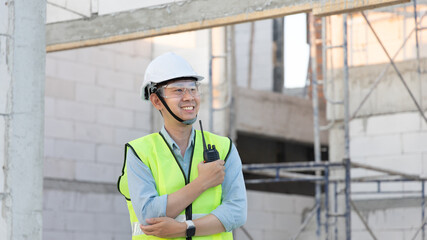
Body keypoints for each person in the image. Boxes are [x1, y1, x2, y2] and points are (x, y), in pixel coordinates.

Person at [117, 52, 247, 240]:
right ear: (156, 101)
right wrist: (202, 182)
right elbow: (149, 215)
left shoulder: (224, 147)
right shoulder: (139, 152)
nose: (189, 97)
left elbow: (237, 212)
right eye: (178, 90)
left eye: (193, 89)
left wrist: (184, 228)